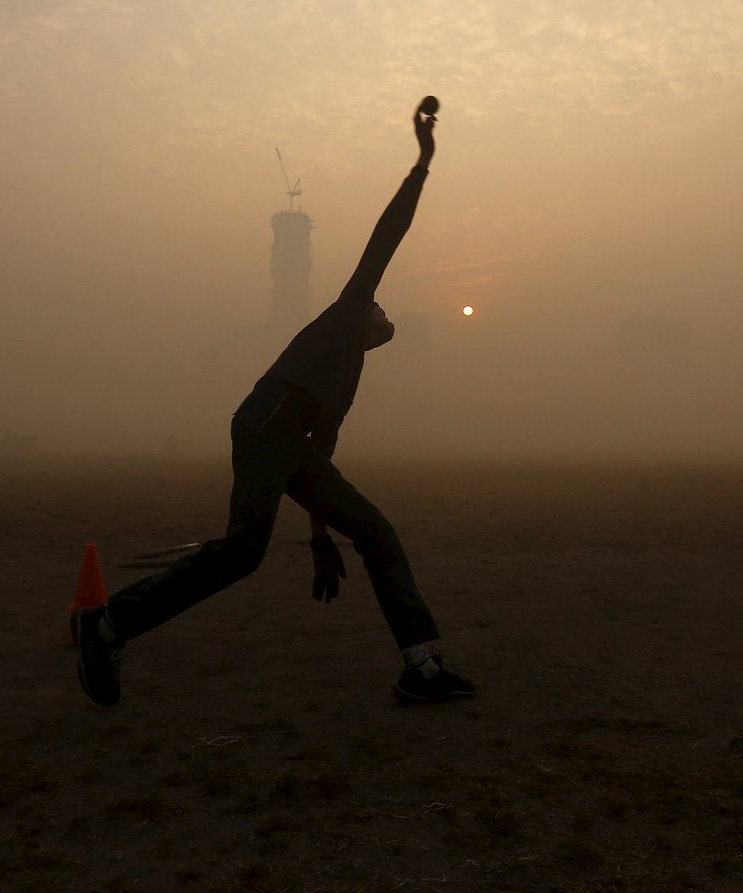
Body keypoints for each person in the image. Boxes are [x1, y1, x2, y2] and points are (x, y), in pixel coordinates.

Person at [76, 100, 474, 707]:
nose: (386, 312)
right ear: (364, 310)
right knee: (241, 553)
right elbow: (389, 233)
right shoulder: (345, 317)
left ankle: (420, 667)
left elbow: (318, 462)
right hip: (267, 421)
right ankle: (105, 627)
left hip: (290, 442)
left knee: (375, 531)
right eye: (382, 307)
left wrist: (321, 541)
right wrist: (423, 163)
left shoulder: (348, 374)